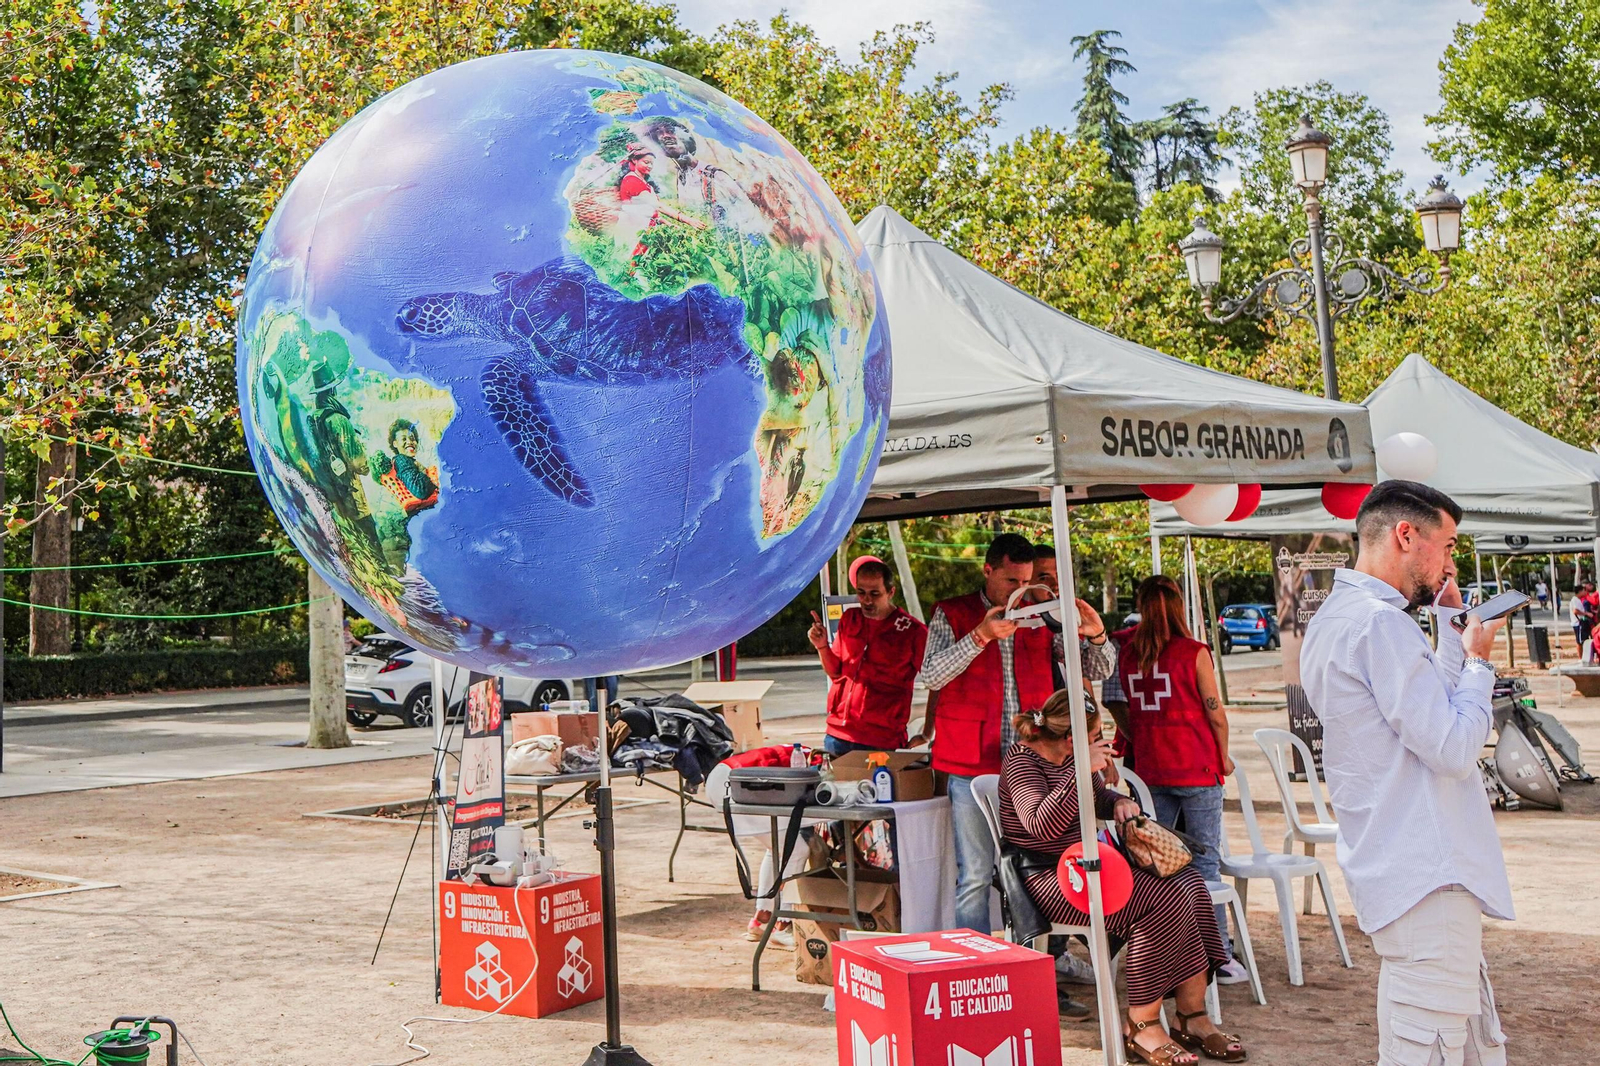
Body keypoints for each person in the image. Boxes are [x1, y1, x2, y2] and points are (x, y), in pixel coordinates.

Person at [1300, 481, 1511, 1066]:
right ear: (1406, 535)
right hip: (1425, 868)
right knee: (1431, 1048)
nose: (1450, 564)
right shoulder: (1379, 625)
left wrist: (1450, 632)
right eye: (1448, 545)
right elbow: (1452, 746)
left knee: (1457, 1042)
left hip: (1403, 862)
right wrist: (1479, 663)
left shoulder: (1339, 616)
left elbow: (1423, 713)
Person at [1000, 691, 1242, 1065]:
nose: (1102, 743)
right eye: (1095, 737)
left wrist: (1118, 802)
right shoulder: (1022, 762)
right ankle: (1142, 1024)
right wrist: (1081, 770)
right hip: (1047, 878)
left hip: (1087, 866)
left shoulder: (1070, 758)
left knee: (1190, 884)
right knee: (1159, 901)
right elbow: (1040, 826)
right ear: (1071, 739)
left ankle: (1191, 1013)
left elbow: (1098, 798)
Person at [919, 533, 1111, 938]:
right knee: (975, 873)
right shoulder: (952, 613)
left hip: (1034, 766)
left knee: (1043, 864)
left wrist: (1096, 635)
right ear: (987, 571)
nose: (1019, 591)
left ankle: (1046, 956)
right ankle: (976, 962)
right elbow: (931, 675)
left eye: (1026, 582)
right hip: (971, 764)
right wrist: (980, 636)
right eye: (1011, 581)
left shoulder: (1040, 614)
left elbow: (1096, 669)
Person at [1105, 575, 1245, 985]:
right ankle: (1217, 953)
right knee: (1204, 862)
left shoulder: (1127, 654)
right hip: (1197, 767)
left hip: (1151, 770)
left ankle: (1160, 949)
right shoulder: (1193, 652)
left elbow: (1117, 704)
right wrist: (1223, 757)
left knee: (1154, 862)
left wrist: (1141, 736)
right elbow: (1215, 713)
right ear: (1179, 605)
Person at [807, 559, 928, 756]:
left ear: (891, 592)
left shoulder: (913, 632)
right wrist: (821, 646)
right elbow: (835, 672)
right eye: (861, 593)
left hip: (882, 740)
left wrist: (928, 730)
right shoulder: (850, 619)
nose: (867, 600)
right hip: (838, 735)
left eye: (875, 594)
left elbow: (939, 682)